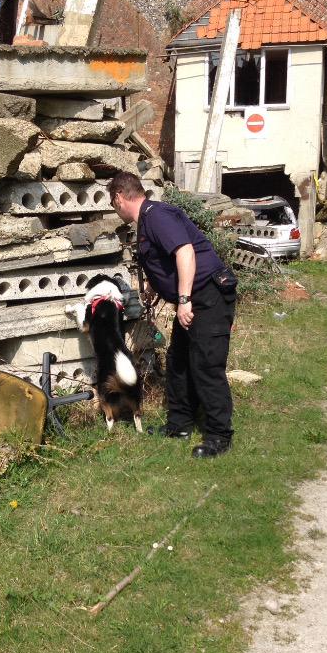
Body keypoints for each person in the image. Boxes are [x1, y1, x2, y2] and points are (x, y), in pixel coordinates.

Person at [108, 171, 237, 459]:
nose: (113, 209)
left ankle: (219, 435)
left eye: (112, 202)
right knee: (179, 363)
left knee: (206, 364)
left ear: (118, 197)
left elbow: (185, 253)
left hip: (207, 297)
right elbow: (165, 261)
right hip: (195, 297)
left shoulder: (156, 215)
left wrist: (184, 299)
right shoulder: (147, 220)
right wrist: (156, 286)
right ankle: (179, 425)